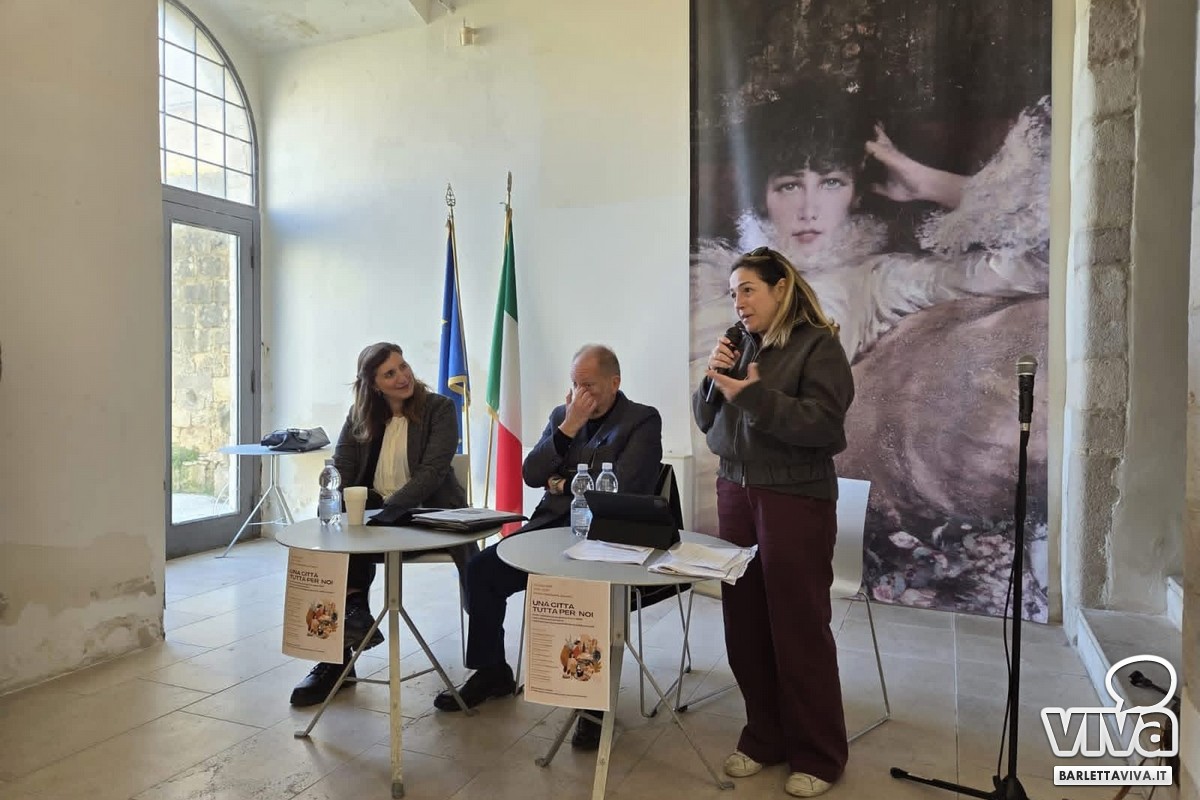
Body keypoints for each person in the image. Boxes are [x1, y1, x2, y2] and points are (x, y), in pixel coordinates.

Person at [690, 81, 1050, 534]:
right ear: (763, 194)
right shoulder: (716, 276)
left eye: (831, 182)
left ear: (856, 193)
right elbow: (700, 411)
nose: (809, 208)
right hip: (720, 484)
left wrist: (924, 181)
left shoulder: (874, 279)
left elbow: (1038, 264)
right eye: (789, 185)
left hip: (785, 484)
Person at [432, 344, 662, 751]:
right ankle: (492, 670)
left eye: (589, 386)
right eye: (575, 384)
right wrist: (568, 428)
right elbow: (532, 473)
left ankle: (592, 704)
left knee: (585, 592)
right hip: (550, 526)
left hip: (607, 535)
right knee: (481, 570)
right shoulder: (562, 417)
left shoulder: (641, 420)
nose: (580, 394)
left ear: (614, 382)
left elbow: (627, 486)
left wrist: (564, 481)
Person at [693, 248, 854, 798]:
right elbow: (707, 420)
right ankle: (765, 737)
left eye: (748, 290)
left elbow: (826, 428)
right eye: (732, 293)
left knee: (797, 628)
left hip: (793, 497)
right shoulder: (739, 344)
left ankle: (819, 754)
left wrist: (757, 397)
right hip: (734, 490)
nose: (738, 303)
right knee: (744, 623)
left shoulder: (818, 345)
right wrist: (714, 377)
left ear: (781, 287)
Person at [290, 342, 475, 707]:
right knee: (328, 549)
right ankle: (335, 658)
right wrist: (333, 507)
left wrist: (386, 510)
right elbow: (341, 468)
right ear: (373, 385)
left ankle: (354, 618)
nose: (403, 377)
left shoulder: (439, 408)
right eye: (390, 373)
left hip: (428, 514)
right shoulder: (359, 416)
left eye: (403, 367)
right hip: (373, 515)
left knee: (359, 536)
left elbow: (433, 472)